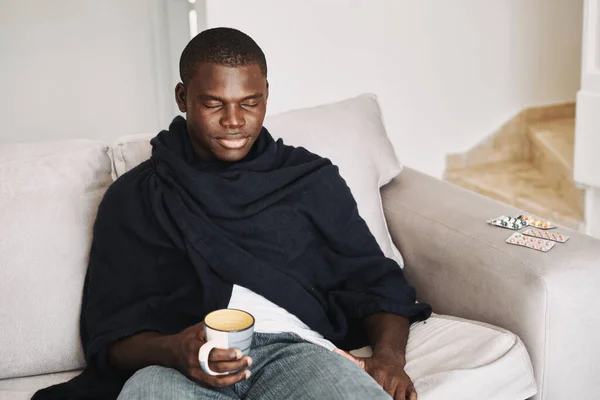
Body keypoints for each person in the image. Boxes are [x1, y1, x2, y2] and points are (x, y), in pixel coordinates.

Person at [33, 27, 431, 400]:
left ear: (266, 95)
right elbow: (109, 333)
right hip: (172, 367)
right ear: (182, 97)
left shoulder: (308, 179)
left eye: (250, 103)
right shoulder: (137, 196)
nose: (234, 121)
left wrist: (389, 359)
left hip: (297, 353)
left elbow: (376, 281)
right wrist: (174, 350)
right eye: (213, 103)